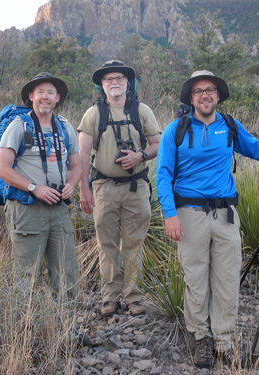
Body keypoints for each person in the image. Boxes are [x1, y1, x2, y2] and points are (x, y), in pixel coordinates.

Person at [156, 70, 259, 368]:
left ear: (219, 95)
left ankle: (224, 340)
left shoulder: (230, 126)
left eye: (210, 89)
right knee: (195, 279)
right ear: (191, 98)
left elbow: (256, 149)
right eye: (199, 91)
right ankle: (202, 339)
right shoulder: (175, 130)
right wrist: (170, 214)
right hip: (189, 214)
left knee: (226, 279)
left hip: (225, 215)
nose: (205, 95)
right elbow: (162, 175)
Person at [78, 60, 161, 317]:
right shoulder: (94, 114)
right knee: (107, 244)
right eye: (108, 79)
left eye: (119, 78)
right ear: (102, 85)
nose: (114, 82)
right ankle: (110, 297)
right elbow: (81, 154)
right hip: (104, 187)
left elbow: (158, 143)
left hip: (136, 186)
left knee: (134, 243)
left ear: (127, 82)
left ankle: (133, 297)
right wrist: (84, 189)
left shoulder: (142, 110)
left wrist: (140, 156)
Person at [0, 72, 81, 299]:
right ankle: (25, 332)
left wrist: (71, 184)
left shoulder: (64, 127)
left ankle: (67, 329)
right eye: (40, 92)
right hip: (27, 209)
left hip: (59, 209)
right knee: (26, 275)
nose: (45, 97)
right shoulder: (19, 126)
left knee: (66, 271)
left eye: (50, 93)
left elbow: (76, 165)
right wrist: (35, 188)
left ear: (57, 97)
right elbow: (2, 168)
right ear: (31, 96)